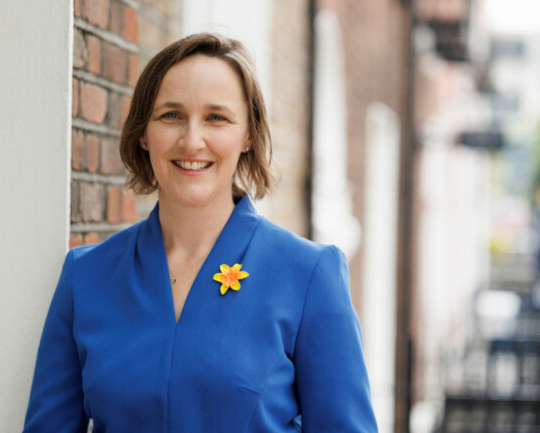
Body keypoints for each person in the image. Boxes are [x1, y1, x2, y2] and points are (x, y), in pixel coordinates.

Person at [23, 33, 377, 433]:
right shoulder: (85, 278)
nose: (192, 141)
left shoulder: (310, 275)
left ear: (247, 135)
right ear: (143, 132)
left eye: (216, 118)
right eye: (171, 115)